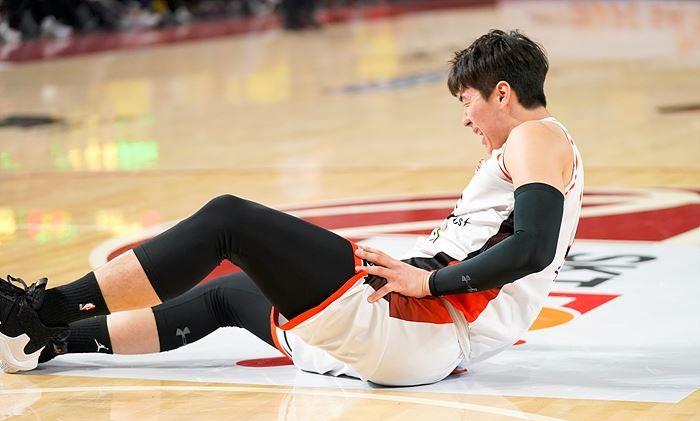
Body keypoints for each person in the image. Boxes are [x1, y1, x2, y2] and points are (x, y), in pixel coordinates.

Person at [0, 29, 583, 386]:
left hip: (419, 320)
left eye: (467, 101)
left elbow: (531, 248)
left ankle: (42, 310)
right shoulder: (535, 147)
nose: (465, 118)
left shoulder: (535, 136)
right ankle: (48, 341)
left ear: (502, 93)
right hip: (419, 340)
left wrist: (428, 283)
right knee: (227, 296)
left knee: (229, 219)